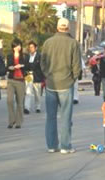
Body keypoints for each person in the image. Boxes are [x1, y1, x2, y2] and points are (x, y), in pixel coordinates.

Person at [41, 18, 81, 153]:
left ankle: (52, 146)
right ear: (68, 28)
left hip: (51, 83)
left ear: (57, 27)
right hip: (66, 83)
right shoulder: (73, 43)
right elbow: (77, 65)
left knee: (51, 117)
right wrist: (72, 79)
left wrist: (47, 75)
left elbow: (42, 62)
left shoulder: (48, 43)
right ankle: (65, 146)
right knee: (65, 116)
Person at [6, 39, 28, 129]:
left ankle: (18, 122)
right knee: (9, 100)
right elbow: (8, 67)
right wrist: (13, 67)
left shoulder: (24, 56)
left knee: (20, 102)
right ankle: (11, 120)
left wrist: (22, 66)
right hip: (11, 80)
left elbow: (27, 65)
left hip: (20, 80)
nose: (18, 47)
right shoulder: (9, 56)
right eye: (16, 46)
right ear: (13, 47)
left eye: (19, 45)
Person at [24, 41, 44, 114]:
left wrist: (43, 77)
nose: (31, 49)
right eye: (29, 47)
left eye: (32, 47)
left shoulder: (39, 56)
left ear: (36, 48)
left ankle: (38, 106)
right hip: (28, 76)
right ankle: (27, 107)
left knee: (37, 93)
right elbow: (25, 66)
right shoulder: (27, 56)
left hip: (37, 76)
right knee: (28, 92)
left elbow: (42, 67)